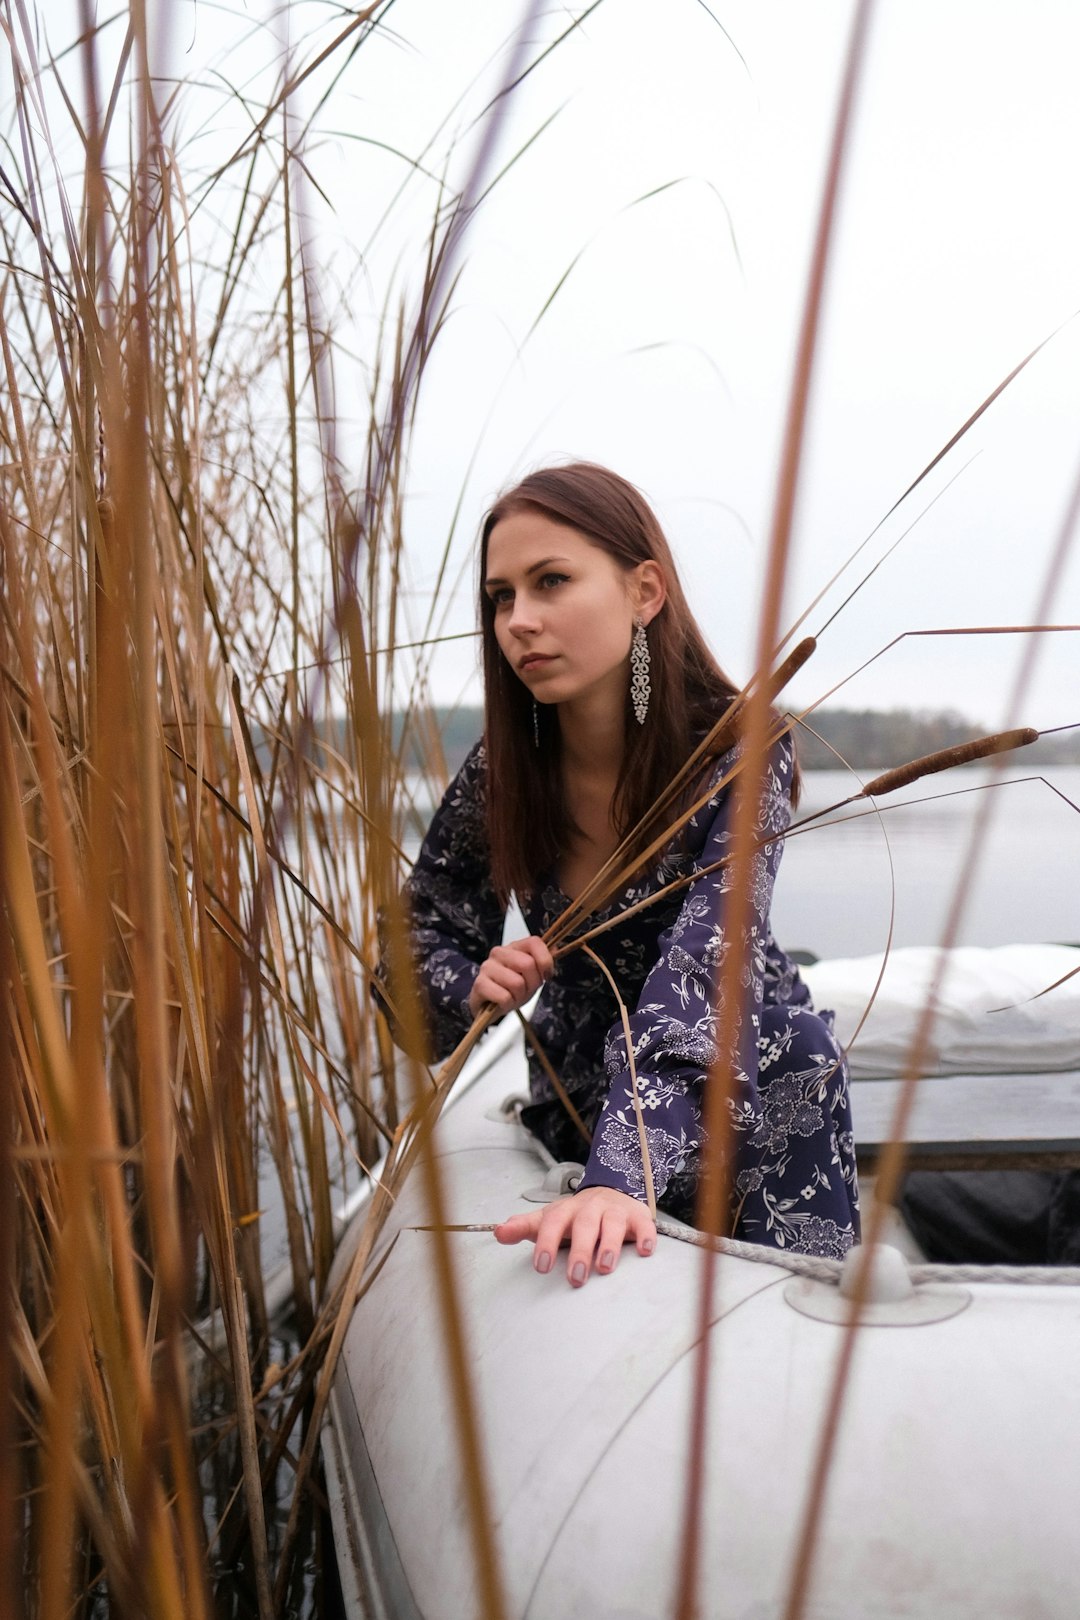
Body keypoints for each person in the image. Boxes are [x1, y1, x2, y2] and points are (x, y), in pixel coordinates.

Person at [376, 463, 859, 1287]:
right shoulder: (505, 768)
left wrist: (619, 1175)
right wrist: (472, 984)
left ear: (645, 592)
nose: (519, 621)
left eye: (551, 581)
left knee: (797, 1048)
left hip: (737, 1061)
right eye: (501, 597)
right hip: (579, 1077)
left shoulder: (737, 751)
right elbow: (417, 938)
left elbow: (706, 966)